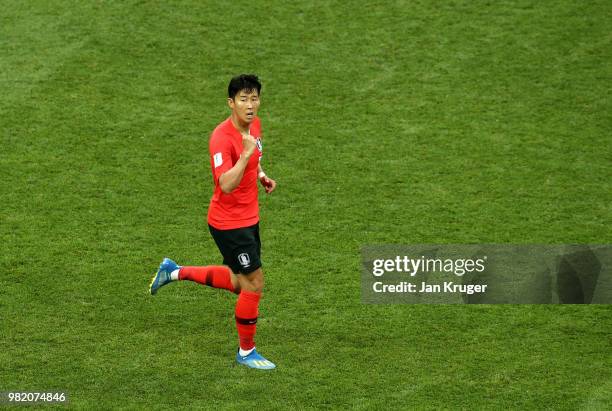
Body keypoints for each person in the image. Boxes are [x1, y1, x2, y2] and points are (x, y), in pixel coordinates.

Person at [149, 74, 277, 370]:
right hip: (229, 224)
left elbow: (255, 158)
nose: (250, 105)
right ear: (231, 103)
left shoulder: (254, 125)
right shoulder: (221, 138)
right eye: (243, 100)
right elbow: (226, 183)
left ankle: (173, 272)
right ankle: (246, 352)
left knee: (238, 282)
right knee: (254, 284)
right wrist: (244, 156)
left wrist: (260, 175)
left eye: (254, 98)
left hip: (249, 217)